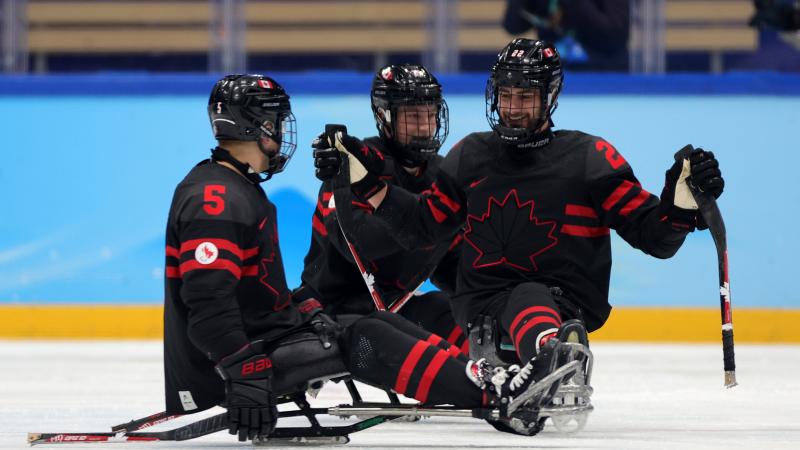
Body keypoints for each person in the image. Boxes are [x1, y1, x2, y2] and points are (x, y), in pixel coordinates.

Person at [162, 73, 577, 443]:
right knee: (366, 336)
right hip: (238, 361)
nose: (282, 131)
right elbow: (207, 300)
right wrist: (243, 369)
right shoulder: (216, 200)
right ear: (258, 126)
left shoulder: (233, 188)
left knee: (386, 322)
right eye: (277, 122)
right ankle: (497, 394)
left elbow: (243, 295)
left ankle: (497, 375)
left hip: (267, 338)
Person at [318, 38, 725, 369]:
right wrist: (367, 182)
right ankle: (552, 355)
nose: (512, 108)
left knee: (531, 295)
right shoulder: (470, 156)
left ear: (551, 96)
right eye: (506, 94)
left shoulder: (591, 158)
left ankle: (550, 353)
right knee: (523, 296)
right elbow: (420, 227)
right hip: (485, 301)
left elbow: (655, 238)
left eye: (526, 96)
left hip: (571, 298)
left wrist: (680, 207)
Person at [295, 64, 466, 349]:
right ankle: (474, 391)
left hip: (394, 309)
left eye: (431, 114)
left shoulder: (441, 174)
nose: (424, 126)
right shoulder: (350, 165)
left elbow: (452, 265)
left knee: (458, 313)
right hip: (332, 314)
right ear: (384, 117)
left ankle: (503, 377)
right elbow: (363, 244)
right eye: (413, 117)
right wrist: (427, 223)